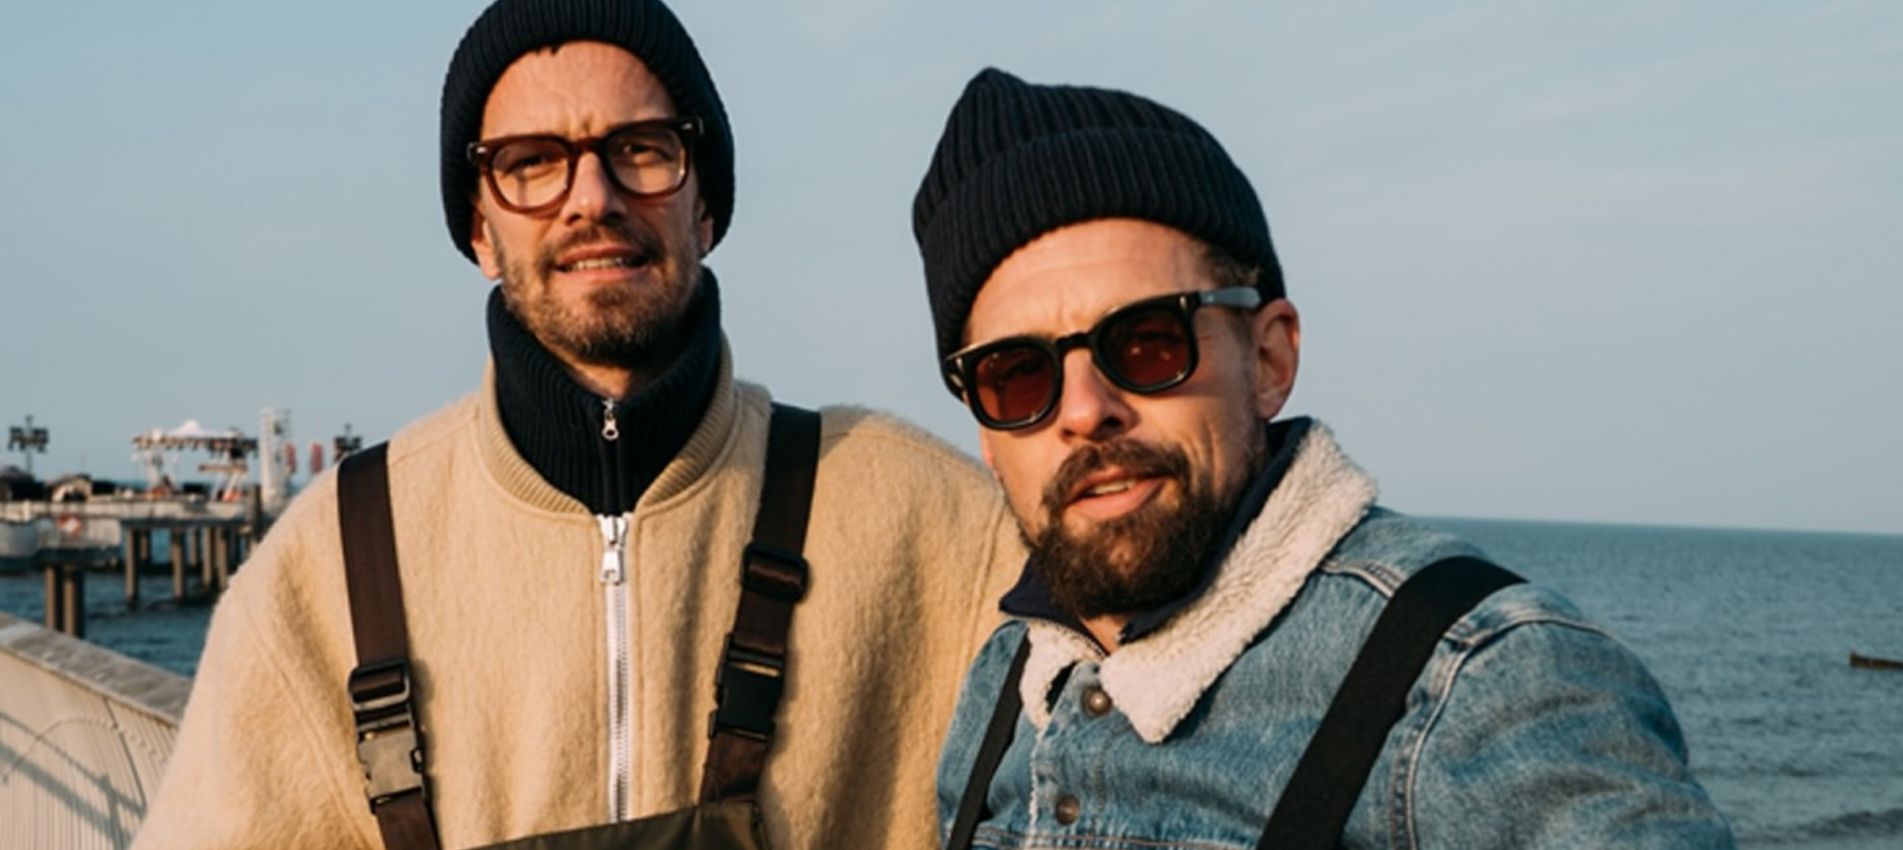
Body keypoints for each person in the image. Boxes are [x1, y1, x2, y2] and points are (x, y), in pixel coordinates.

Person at [131, 2, 1025, 848]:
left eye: (640, 148)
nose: (591, 196)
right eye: (530, 161)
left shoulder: (932, 519)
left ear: (703, 205)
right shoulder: (329, 563)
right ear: (478, 230)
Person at [911, 68, 1735, 849]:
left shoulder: (1474, 676)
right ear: (987, 434)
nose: (1087, 411)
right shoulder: (1008, 681)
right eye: (1018, 376)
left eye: (1147, 341)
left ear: (1267, 359)